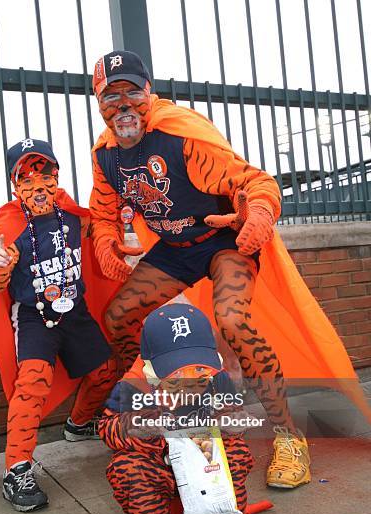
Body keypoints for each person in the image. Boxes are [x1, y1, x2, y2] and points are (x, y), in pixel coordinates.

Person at [89, 50, 370, 490]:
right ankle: (150, 412)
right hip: (176, 248)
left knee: (232, 319)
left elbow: (255, 181)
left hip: (223, 241)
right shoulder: (105, 155)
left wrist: (258, 210)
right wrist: (104, 241)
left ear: (150, 92)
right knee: (119, 317)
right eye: (111, 95)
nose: (123, 104)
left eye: (132, 91)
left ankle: (289, 438)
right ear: (98, 102)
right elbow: (103, 211)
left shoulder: (181, 135)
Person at [0, 138, 118, 512]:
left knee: (104, 371)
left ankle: (79, 424)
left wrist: (113, 235)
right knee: (33, 381)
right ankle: (16, 470)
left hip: (74, 309)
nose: (37, 182)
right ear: (14, 181)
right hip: (34, 313)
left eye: (45, 171)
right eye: (26, 173)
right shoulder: (8, 222)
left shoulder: (71, 211)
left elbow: (100, 226)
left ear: (57, 174)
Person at [99, 303, 255, 514]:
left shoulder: (219, 379)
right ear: (151, 365)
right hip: (159, 468)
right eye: (178, 371)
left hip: (206, 465)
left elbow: (232, 413)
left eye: (199, 368)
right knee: (127, 466)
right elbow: (107, 428)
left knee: (236, 452)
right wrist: (142, 428)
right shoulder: (132, 385)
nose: (190, 379)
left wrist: (233, 422)